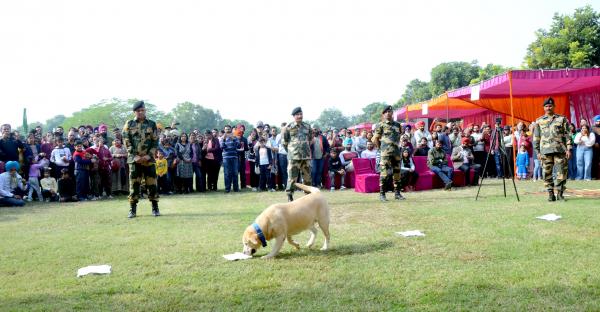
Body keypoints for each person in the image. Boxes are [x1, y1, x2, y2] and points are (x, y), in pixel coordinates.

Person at [122, 100, 160, 218]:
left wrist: (149, 155)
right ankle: (132, 210)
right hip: (135, 161)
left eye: (142, 110)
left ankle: (155, 208)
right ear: (134, 112)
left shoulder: (152, 124)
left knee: (152, 184)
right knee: (134, 185)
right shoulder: (129, 124)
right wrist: (135, 156)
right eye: (138, 111)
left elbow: (155, 141)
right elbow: (126, 141)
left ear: (145, 110)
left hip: (149, 160)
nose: (140, 112)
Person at [533, 97, 573, 201]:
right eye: (546, 106)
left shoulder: (562, 119)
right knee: (546, 173)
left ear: (554, 106)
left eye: (550, 106)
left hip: (560, 150)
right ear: (543, 108)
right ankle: (551, 194)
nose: (548, 108)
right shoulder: (539, 121)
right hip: (545, 151)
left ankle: (560, 194)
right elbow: (536, 137)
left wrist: (568, 149)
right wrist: (537, 151)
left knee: (561, 173)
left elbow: (568, 135)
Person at [372, 105, 404, 201]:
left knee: (397, 173)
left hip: (396, 152)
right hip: (385, 153)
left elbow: (399, 137)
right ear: (383, 114)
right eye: (386, 112)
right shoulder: (380, 125)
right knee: (384, 174)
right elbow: (375, 139)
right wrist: (380, 148)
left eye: (390, 112)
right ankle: (382, 194)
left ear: (392, 113)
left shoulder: (398, 125)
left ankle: (397, 194)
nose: (388, 113)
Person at [282, 107, 313, 202]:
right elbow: (284, 142)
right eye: (297, 114)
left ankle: (308, 197)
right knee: (292, 177)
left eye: (301, 114)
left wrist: (305, 148)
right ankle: (290, 196)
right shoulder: (288, 127)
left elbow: (310, 139)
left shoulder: (307, 126)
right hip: (294, 157)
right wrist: (291, 152)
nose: (300, 116)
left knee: (307, 177)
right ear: (294, 116)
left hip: (306, 156)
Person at [221, 125, 241, 193]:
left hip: (234, 158)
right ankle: (227, 189)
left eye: (228, 129)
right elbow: (221, 147)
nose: (227, 130)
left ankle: (236, 189)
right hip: (226, 158)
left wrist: (233, 139)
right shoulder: (222, 138)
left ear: (231, 130)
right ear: (224, 130)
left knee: (235, 173)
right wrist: (223, 139)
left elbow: (238, 146)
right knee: (227, 174)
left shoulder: (234, 137)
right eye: (226, 129)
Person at [592, 115, 600, 179]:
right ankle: (594, 176)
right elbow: (591, 137)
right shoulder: (592, 128)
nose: (598, 122)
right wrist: (594, 143)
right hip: (594, 148)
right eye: (597, 121)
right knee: (594, 162)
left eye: (599, 121)